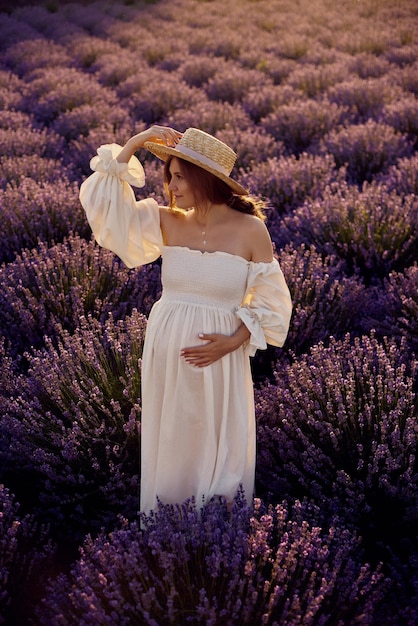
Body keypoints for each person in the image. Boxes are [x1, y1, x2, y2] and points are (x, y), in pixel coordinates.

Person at [79, 125, 292, 517]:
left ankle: (219, 535)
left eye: (179, 176)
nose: (171, 187)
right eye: (169, 176)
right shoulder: (167, 220)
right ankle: (168, 532)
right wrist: (137, 142)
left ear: (204, 178)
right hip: (168, 352)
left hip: (221, 357)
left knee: (220, 445)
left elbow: (273, 301)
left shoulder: (251, 230)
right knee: (175, 440)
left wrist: (234, 340)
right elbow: (105, 209)